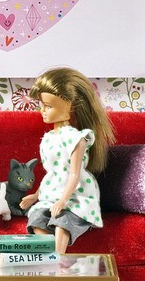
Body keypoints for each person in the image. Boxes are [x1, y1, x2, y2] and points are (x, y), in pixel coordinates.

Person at [20, 67, 115, 254]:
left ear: (70, 107)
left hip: (76, 194)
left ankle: (57, 258)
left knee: (62, 221)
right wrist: (36, 195)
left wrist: (62, 201)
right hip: (52, 193)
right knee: (37, 219)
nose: (42, 110)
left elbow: (74, 174)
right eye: (42, 105)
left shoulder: (76, 138)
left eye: (49, 106)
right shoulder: (48, 138)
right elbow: (52, 174)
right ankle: (47, 256)